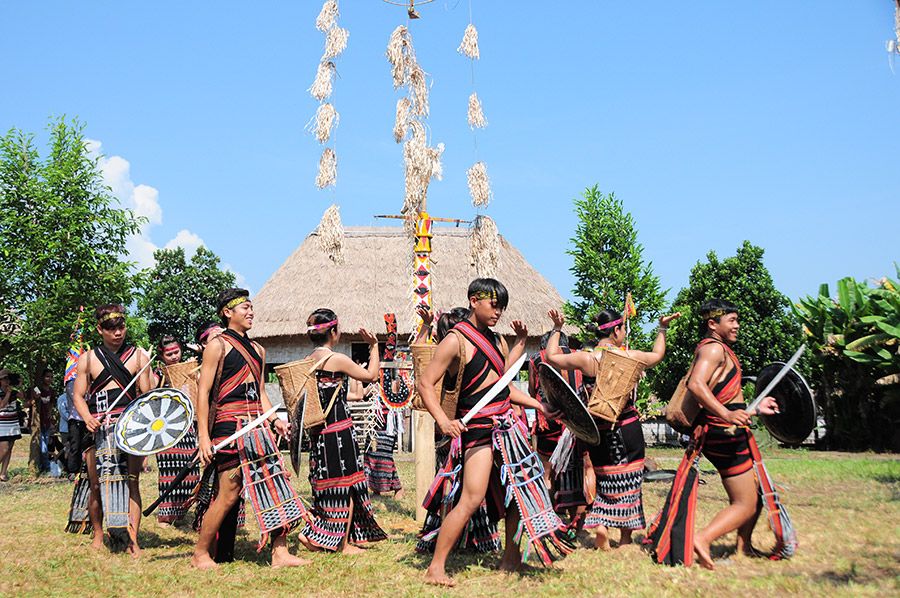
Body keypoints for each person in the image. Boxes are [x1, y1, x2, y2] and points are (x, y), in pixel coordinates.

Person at [419, 278, 572, 587]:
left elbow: (502, 389)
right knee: (472, 498)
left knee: (518, 495)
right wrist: (444, 421)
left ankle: (511, 560)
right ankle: (436, 567)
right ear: (474, 300)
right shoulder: (455, 340)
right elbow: (425, 383)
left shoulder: (499, 342)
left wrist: (539, 406)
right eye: (493, 304)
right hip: (477, 429)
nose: (498, 311)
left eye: (502, 306)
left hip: (509, 428)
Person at [644, 299, 780, 569]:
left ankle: (744, 546)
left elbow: (729, 397)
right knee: (746, 502)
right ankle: (703, 540)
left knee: (751, 491)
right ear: (713, 324)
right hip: (724, 433)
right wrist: (727, 415)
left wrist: (754, 409)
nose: (737, 326)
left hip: (726, 429)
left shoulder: (720, 350)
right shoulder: (714, 350)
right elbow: (696, 384)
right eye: (732, 320)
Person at [192, 289, 309, 569]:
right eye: (244, 307)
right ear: (227, 313)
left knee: (275, 487)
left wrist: (274, 420)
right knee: (229, 493)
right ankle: (200, 553)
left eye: (251, 307)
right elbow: (204, 392)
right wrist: (204, 437)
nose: (250, 312)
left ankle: (280, 553)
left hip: (257, 427)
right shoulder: (217, 346)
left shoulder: (258, 350)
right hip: (228, 427)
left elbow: (260, 393)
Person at [545, 308, 680, 551]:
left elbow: (551, 357)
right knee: (630, 481)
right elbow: (658, 354)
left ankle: (602, 528)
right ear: (616, 330)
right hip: (627, 426)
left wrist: (557, 328)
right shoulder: (630, 356)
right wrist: (662, 327)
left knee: (605, 482)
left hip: (598, 431)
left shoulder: (587, 359)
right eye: (623, 330)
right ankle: (625, 538)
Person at [295, 308, 387, 554]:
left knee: (325, 484)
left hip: (319, 434)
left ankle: (314, 534)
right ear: (333, 333)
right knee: (344, 485)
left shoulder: (307, 360)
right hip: (338, 431)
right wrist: (374, 346)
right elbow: (370, 376)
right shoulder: (335, 359)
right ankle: (342, 544)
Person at [414, 306, 503, 556]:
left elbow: (500, 381)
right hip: (455, 429)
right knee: (459, 491)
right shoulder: (452, 349)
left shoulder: (469, 350)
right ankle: (445, 547)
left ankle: (467, 540)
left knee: (466, 491)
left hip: (461, 428)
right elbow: (424, 378)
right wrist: (443, 421)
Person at [72, 305, 152, 555]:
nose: (118, 332)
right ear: (100, 329)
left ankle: (132, 538)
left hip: (130, 428)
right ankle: (98, 533)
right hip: (98, 427)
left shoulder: (139, 356)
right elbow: (78, 395)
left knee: (132, 482)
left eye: (121, 327)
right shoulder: (88, 358)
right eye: (111, 328)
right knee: (97, 484)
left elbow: (147, 396)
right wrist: (87, 418)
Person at [529, 330, 588, 526]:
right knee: (576, 468)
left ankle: (549, 510)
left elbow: (532, 390)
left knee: (546, 469)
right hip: (575, 421)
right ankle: (577, 516)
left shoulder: (538, 358)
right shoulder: (578, 357)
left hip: (549, 419)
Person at [152, 335, 201, 527]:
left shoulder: (191, 368)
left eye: (176, 352)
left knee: (191, 470)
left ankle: (180, 513)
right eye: (169, 353)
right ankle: (165, 515)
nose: (173, 356)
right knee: (169, 470)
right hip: (166, 426)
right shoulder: (158, 372)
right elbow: (149, 388)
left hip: (188, 424)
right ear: (162, 355)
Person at [29, 369, 56, 475]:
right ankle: (46, 467)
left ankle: (44, 467)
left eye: (51, 377)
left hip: (46, 421)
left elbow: (51, 404)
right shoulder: (37, 389)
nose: (49, 379)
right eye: (47, 376)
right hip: (38, 422)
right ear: (42, 377)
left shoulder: (52, 391)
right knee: (42, 446)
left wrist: (50, 413)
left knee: (44, 445)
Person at [0, 370, 23, 482]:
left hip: (12, 422)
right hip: (2, 424)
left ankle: (3, 473)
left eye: (8, 379)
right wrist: (8, 393)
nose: (6, 381)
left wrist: (20, 386)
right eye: (4, 379)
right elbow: (1, 405)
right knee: (4, 448)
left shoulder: (14, 392)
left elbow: (24, 398)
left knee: (9, 449)